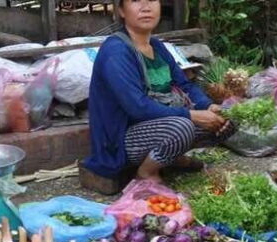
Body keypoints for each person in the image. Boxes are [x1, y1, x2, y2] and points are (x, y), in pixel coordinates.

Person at [84, 0, 234, 183]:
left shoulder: (156, 46)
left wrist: (208, 106)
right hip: (121, 140)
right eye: (135, 0)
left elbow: (184, 85)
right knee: (181, 128)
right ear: (121, 10)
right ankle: (145, 174)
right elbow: (138, 108)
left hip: (158, 125)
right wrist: (192, 115)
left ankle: (171, 158)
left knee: (227, 118)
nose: (146, 7)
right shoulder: (116, 51)